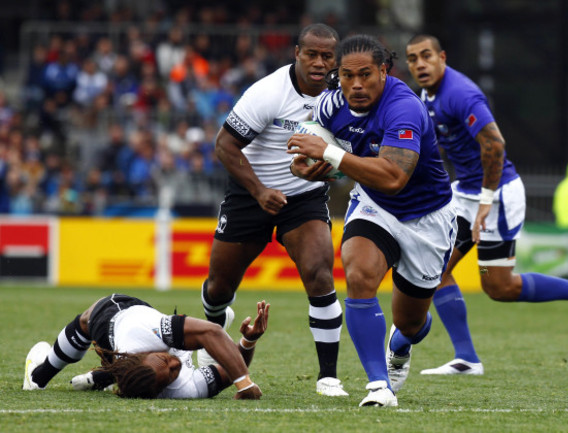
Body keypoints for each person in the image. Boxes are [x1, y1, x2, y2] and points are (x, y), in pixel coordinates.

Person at [404, 34, 568, 376]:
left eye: (426, 56)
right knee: (435, 270)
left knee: (499, 288)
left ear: (442, 57)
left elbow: (495, 145)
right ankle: (467, 359)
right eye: (413, 59)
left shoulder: (461, 93)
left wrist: (487, 199)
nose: (419, 64)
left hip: (498, 196)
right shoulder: (425, 97)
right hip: (466, 195)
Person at [288, 34, 456, 407]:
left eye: (366, 75)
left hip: (426, 218)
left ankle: (399, 346)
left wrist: (328, 153)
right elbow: (328, 157)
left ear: (384, 71)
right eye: (347, 76)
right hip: (374, 205)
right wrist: (310, 169)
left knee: (411, 322)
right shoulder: (331, 106)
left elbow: (395, 177)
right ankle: (379, 386)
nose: (357, 85)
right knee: (359, 272)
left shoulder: (404, 109)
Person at [198, 23, 347, 397]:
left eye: (326, 56)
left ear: (335, 58)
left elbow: (354, 148)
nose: (318, 62)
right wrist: (260, 191)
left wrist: (333, 170)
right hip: (251, 195)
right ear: (296, 53)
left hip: (304, 199)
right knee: (219, 287)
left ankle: (328, 376)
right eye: (311, 54)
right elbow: (224, 145)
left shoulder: (342, 95)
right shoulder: (267, 92)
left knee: (320, 275)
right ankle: (214, 331)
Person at [23, 294, 269, 399]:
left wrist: (245, 384)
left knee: (88, 319)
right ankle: (101, 377)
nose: (175, 363)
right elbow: (230, 371)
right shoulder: (183, 389)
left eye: (165, 363)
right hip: (128, 355)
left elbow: (211, 331)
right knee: (209, 346)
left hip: (116, 315)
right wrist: (249, 341)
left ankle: (39, 375)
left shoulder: (139, 331)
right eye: (172, 372)